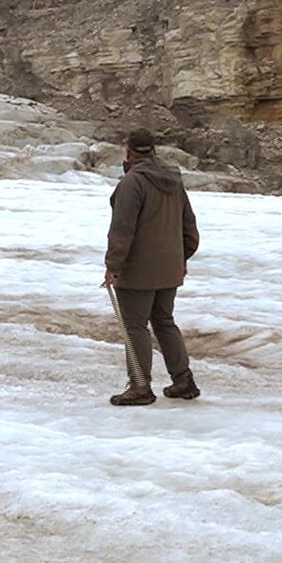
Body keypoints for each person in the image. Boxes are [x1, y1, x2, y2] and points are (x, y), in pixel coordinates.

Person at [103, 128, 200, 406]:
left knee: (135, 326)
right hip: (170, 267)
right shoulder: (173, 179)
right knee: (164, 321)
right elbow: (189, 225)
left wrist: (113, 265)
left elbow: (122, 230)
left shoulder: (132, 183)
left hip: (138, 270)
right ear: (154, 150)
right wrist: (181, 258)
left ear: (128, 152)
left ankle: (140, 387)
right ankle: (183, 380)